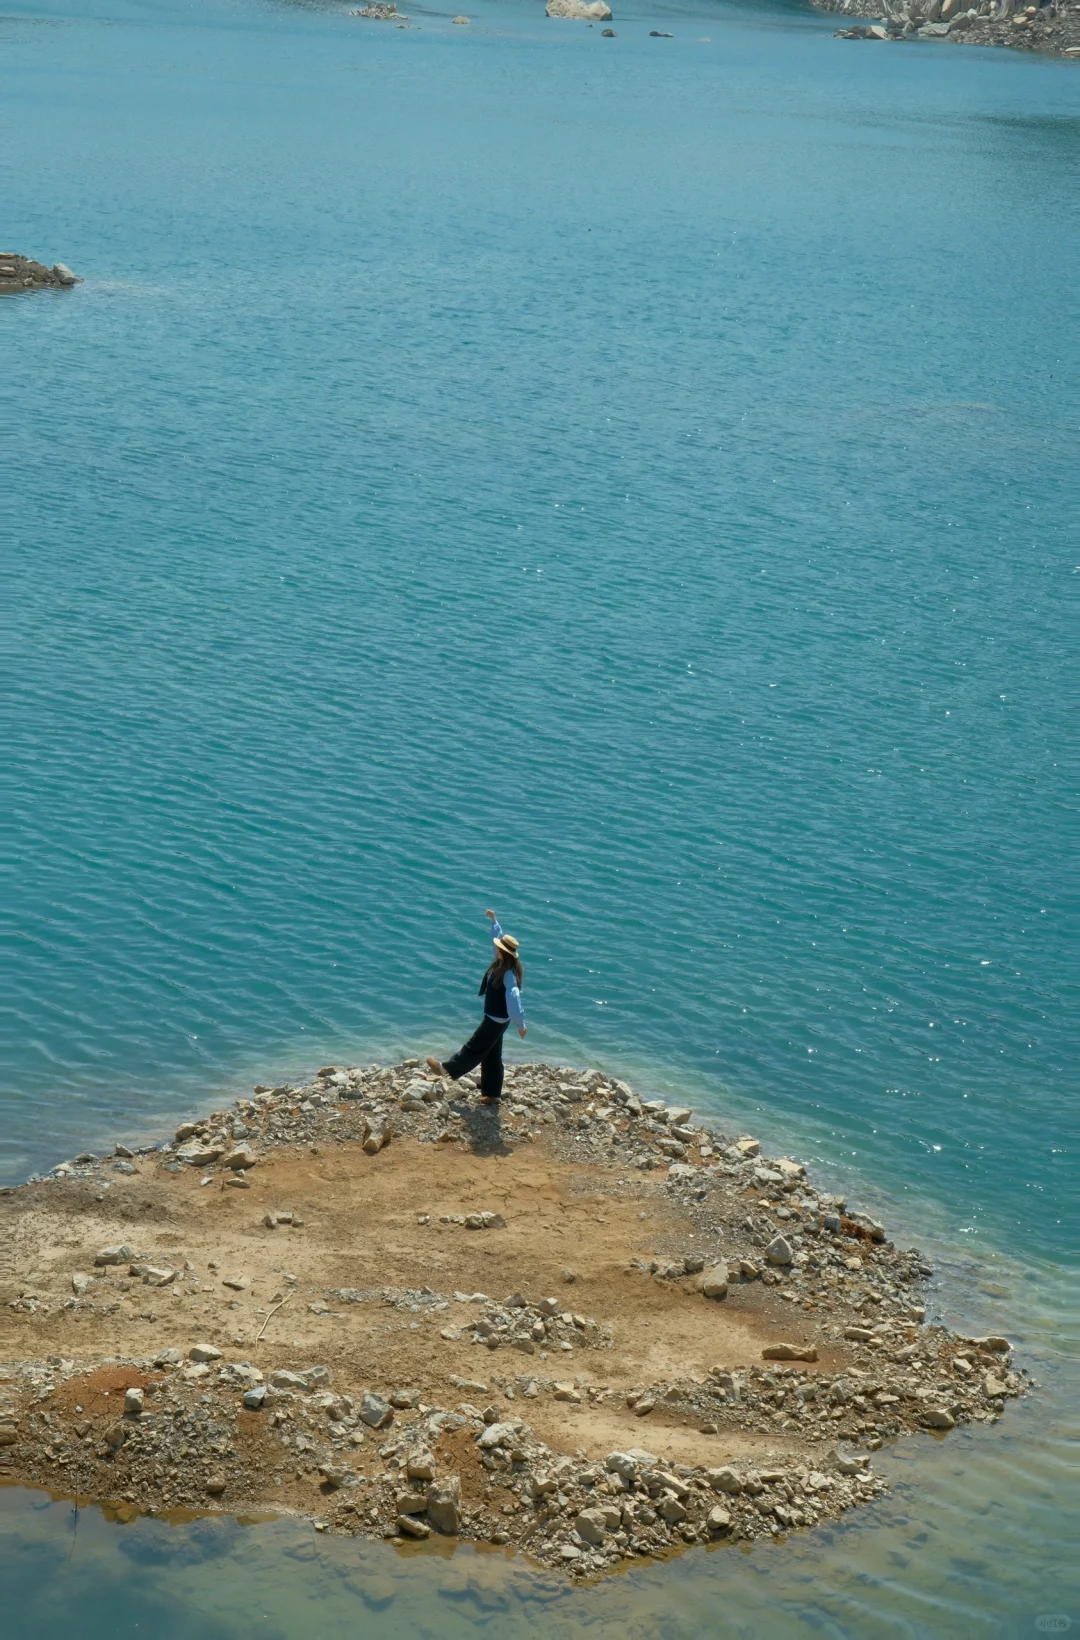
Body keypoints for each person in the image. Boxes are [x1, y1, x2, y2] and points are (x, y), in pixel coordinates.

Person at [427, 909, 526, 1103]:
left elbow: (514, 1000)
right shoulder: (501, 963)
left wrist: (520, 1024)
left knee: (473, 1048)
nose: (495, 948)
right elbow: (497, 938)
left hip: (495, 1021)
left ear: (503, 953)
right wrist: (494, 921)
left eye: (498, 948)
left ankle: (445, 1069)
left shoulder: (508, 974)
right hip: (497, 1019)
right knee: (492, 1056)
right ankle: (492, 1094)